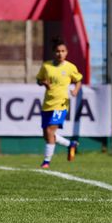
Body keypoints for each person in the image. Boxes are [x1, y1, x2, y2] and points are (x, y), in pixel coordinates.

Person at [36, 38, 82, 169]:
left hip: (61, 104)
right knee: (46, 134)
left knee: (50, 131)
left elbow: (78, 80)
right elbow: (39, 80)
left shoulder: (70, 67)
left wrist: (75, 90)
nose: (60, 54)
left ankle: (46, 162)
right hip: (47, 103)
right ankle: (70, 144)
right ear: (53, 53)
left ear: (66, 52)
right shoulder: (47, 66)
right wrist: (43, 83)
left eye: (63, 51)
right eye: (57, 51)